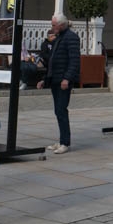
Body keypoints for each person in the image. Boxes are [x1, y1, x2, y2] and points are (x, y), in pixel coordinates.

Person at [37, 13, 80, 154]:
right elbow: (53, 61)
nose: (52, 27)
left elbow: (74, 61)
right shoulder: (59, 38)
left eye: (54, 25)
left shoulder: (71, 37)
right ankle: (61, 140)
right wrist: (45, 79)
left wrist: (67, 78)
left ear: (61, 25)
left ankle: (65, 143)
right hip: (55, 80)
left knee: (61, 110)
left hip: (63, 81)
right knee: (58, 111)